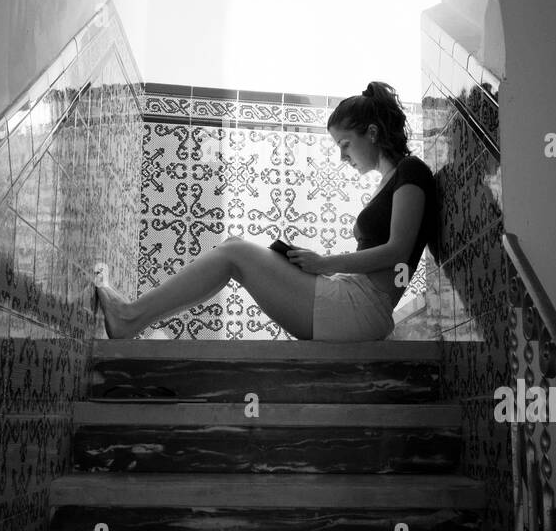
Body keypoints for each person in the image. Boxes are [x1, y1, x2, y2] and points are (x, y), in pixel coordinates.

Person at [96, 80, 437, 341]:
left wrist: (325, 263)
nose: (342, 157)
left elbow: (397, 252)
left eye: (345, 145)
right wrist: (321, 268)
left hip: (364, 309)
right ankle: (134, 318)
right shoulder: (390, 181)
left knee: (235, 254)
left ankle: (130, 317)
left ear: (372, 133)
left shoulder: (412, 171)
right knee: (232, 246)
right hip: (352, 297)